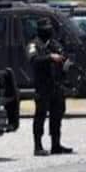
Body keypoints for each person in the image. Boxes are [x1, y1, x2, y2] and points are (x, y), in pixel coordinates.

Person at [28, 18, 74, 156]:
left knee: (57, 115)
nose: (48, 31)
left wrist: (65, 62)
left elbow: (63, 57)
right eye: (45, 29)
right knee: (40, 115)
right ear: (40, 30)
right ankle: (38, 146)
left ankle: (56, 145)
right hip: (42, 87)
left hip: (56, 85)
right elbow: (34, 60)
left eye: (49, 28)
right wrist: (50, 57)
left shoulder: (54, 44)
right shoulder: (34, 44)